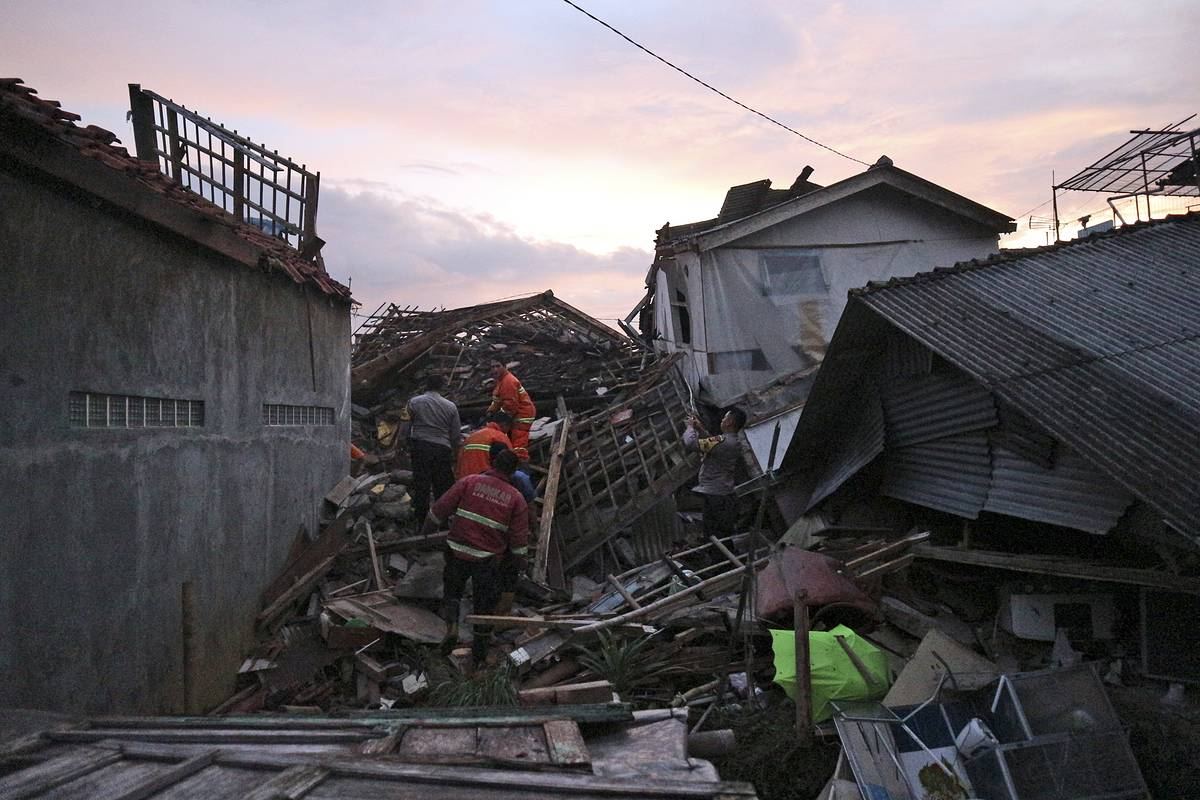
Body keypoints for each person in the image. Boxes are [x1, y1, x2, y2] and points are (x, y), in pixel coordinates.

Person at [421, 448, 529, 665]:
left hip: (456, 551)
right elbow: (518, 541)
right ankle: (478, 655)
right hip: (487, 559)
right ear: (513, 472)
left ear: (493, 463)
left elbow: (440, 509)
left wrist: (426, 531)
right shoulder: (516, 499)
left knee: (453, 593)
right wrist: (517, 566)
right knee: (483, 606)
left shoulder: (469, 482)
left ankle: (452, 628)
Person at [401, 374, 462, 527]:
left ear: (425, 385)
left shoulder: (413, 402)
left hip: (421, 447)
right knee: (442, 486)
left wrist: (405, 444)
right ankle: (442, 522)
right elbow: (455, 436)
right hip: (442, 449)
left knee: (421, 485)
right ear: (441, 387)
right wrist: (456, 454)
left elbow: (405, 427)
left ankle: (421, 521)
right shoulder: (451, 406)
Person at [683, 407, 747, 537]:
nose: (722, 420)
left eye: (724, 418)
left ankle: (720, 556)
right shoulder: (732, 441)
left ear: (729, 422)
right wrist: (700, 429)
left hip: (716, 496)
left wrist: (690, 428)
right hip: (721, 493)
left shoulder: (724, 441)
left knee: (714, 534)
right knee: (719, 533)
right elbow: (712, 445)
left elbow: (691, 443)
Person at [486, 359, 536, 460]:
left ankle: (521, 465)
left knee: (518, 443)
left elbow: (510, 405)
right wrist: (490, 410)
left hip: (522, 415)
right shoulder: (501, 381)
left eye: (498, 366)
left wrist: (497, 417)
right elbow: (497, 401)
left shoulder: (508, 381)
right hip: (516, 414)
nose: (495, 369)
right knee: (512, 440)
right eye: (492, 367)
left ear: (505, 367)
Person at [456, 411, 513, 478]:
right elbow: (510, 461)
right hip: (485, 481)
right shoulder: (500, 437)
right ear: (504, 424)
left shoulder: (471, 437)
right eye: (509, 427)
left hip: (465, 480)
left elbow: (459, 459)